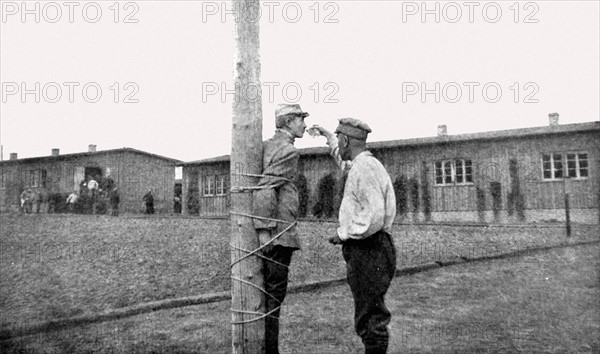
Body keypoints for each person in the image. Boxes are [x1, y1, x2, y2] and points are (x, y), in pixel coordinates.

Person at [313, 118, 397, 354]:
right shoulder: (362, 165)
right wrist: (328, 136)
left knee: (370, 317)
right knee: (369, 312)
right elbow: (342, 161)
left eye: (340, 140)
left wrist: (344, 234)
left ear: (347, 140)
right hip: (371, 248)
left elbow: (374, 215)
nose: (338, 145)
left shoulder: (364, 169)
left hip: (369, 249)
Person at [252, 103, 308, 354]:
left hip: (273, 234)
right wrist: (265, 229)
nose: (304, 125)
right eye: (300, 120)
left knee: (265, 296)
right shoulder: (288, 152)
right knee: (275, 298)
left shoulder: (267, 146)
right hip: (278, 236)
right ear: (287, 122)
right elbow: (266, 188)